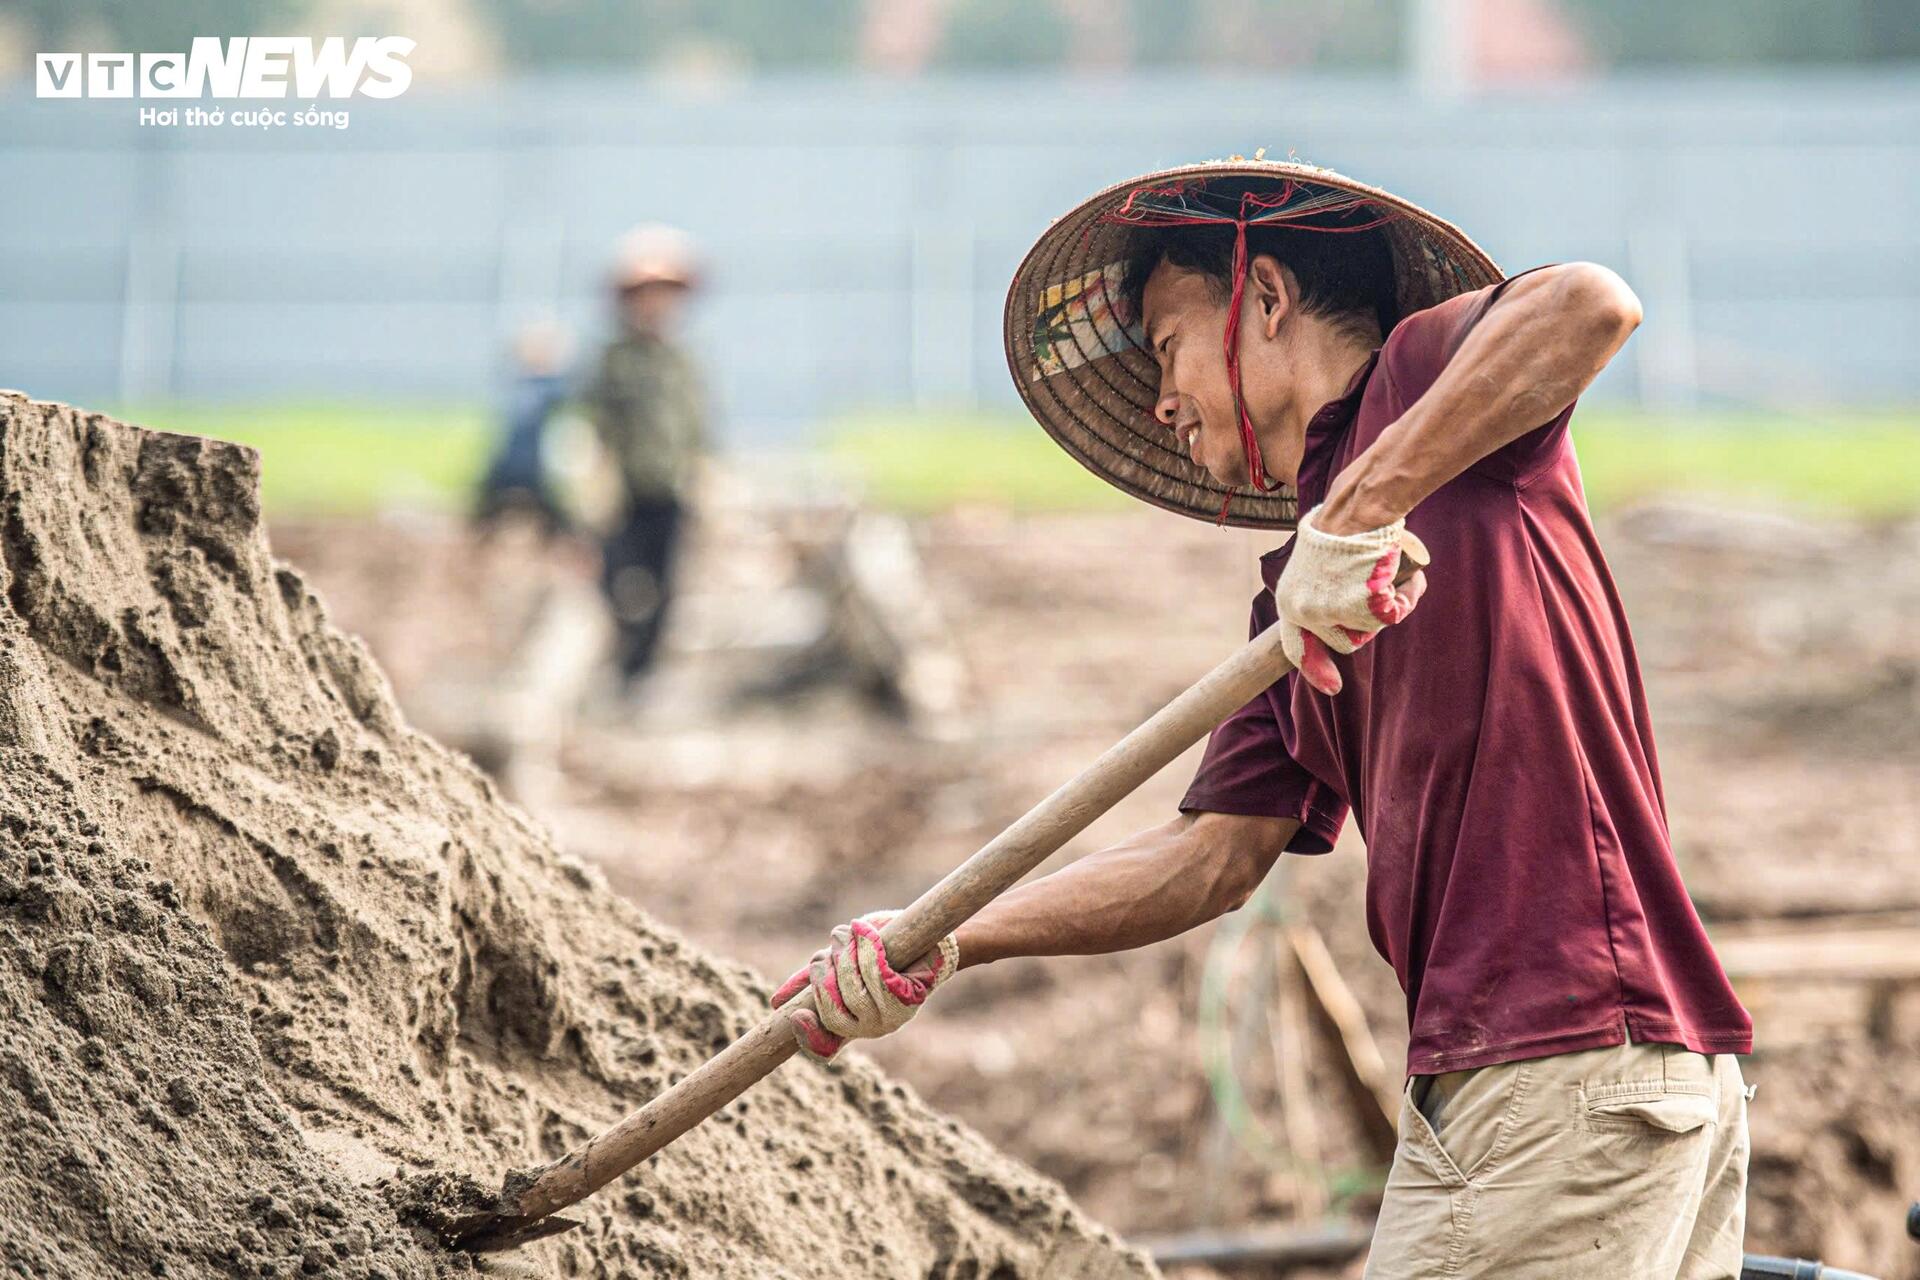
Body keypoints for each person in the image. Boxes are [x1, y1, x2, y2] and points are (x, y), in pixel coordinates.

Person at [772, 161, 1753, 1279]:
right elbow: (1208, 859)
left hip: (1570, 1061)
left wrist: (1365, 506)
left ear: (1268, 300)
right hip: (1526, 1080)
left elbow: (1590, 302)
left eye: (1166, 345)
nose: (1161, 395)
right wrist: (949, 935)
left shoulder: (1423, 389)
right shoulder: (1296, 605)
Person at [581, 226, 709, 689]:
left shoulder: (682, 361)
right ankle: (616, 662)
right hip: (625, 490)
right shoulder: (614, 360)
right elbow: (592, 420)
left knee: (665, 583)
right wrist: (595, 479)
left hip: (670, 489)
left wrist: (705, 473)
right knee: (617, 580)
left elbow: (697, 425)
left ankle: (643, 675)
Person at [473, 320, 572, 538]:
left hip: (537, 469)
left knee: (554, 519)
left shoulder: (553, 387)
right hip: (507, 467)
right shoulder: (516, 385)